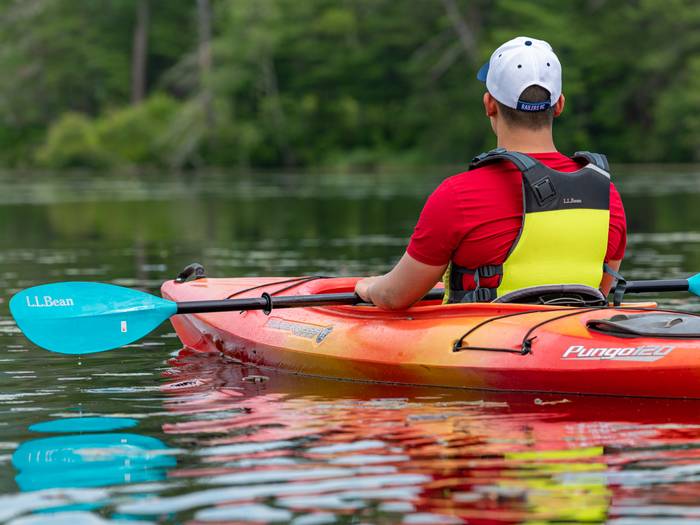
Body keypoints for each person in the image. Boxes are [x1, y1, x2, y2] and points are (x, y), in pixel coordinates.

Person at [355, 36, 626, 309]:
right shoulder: (605, 193)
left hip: (485, 342)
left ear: (489, 104)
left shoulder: (458, 195)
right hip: (573, 336)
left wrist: (368, 288)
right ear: (559, 105)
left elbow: (394, 297)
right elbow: (601, 290)